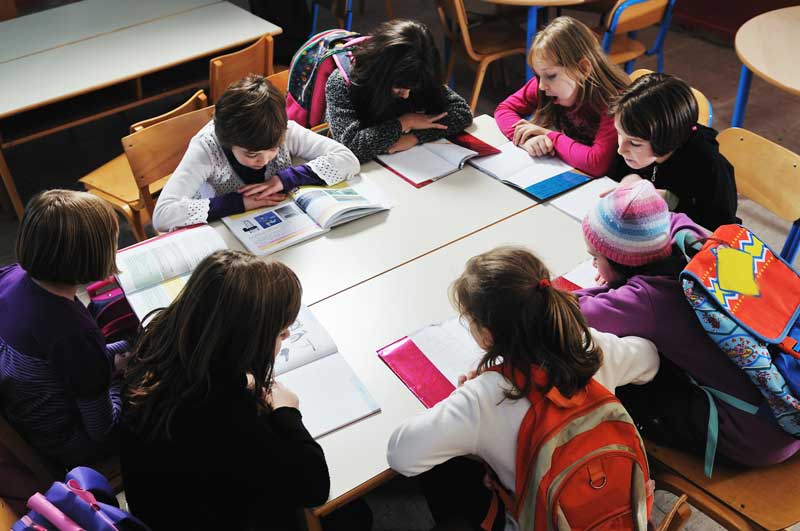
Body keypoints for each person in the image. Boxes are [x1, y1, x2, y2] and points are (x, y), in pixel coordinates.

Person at [387, 246, 658, 530]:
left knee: (445, 472)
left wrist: (462, 397)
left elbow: (401, 455)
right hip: (625, 518)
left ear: (486, 336)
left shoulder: (484, 397)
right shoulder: (590, 348)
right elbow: (649, 359)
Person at [578, 180, 800, 469]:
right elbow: (676, 220)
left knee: (629, 388)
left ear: (620, 259)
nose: (594, 266)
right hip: (785, 408)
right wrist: (643, 204)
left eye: (595, 258)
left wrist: (600, 290)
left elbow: (569, 312)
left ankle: (647, 471)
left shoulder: (646, 300)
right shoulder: (697, 244)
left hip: (751, 438)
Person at [122, 250, 331, 530]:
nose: (286, 337)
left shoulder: (159, 340)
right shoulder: (225, 416)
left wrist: (240, 379)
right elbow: (314, 487)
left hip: (158, 505)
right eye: (279, 333)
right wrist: (287, 412)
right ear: (248, 340)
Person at [0, 190, 127, 467]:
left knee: (131, 344)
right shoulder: (73, 332)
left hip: (26, 411)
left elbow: (61, 362)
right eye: (112, 242)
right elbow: (103, 430)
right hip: (68, 444)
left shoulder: (11, 275)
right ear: (92, 256)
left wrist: (121, 352)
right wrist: (118, 377)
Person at [153, 75, 359, 232]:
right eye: (251, 154)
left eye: (273, 149)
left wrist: (283, 179)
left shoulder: (283, 130)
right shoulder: (207, 147)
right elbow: (162, 215)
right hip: (223, 230)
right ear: (228, 141)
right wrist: (239, 202)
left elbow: (348, 159)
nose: (264, 159)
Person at [494, 16, 629, 177]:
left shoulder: (614, 100)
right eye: (539, 76)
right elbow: (504, 109)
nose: (541, 86)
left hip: (614, 184)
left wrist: (548, 136)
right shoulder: (546, 85)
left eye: (550, 76)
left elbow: (596, 163)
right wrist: (526, 139)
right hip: (574, 173)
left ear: (583, 69)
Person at [325, 19, 473, 163]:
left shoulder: (418, 73)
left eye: (412, 88)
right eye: (399, 87)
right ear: (381, 73)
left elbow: (461, 112)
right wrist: (404, 122)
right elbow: (351, 147)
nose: (406, 95)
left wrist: (416, 136)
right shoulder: (342, 82)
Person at [608, 73, 738, 230]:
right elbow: (616, 173)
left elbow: (719, 226)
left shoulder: (708, 163)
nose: (621, 149)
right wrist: (630, 179)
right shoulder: (633, 136)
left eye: (635, 143)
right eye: (619, 133)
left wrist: (669, 201)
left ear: (667, 139)